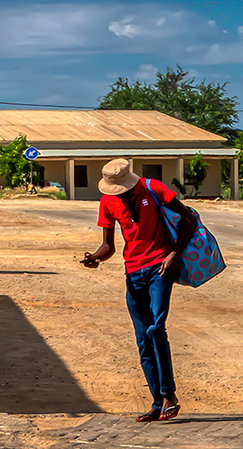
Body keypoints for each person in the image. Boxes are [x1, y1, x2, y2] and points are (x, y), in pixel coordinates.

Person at [81, 158, 189, 422]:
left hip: (159, 269)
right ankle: (157, 403)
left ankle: (169, 396)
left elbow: (188, 219)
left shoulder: (153, 189)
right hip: (133, 273)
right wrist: (95, 257)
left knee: (156, 329)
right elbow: (108, 246)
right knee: (143, 339)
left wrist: (174, 254)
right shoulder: (107, 202)